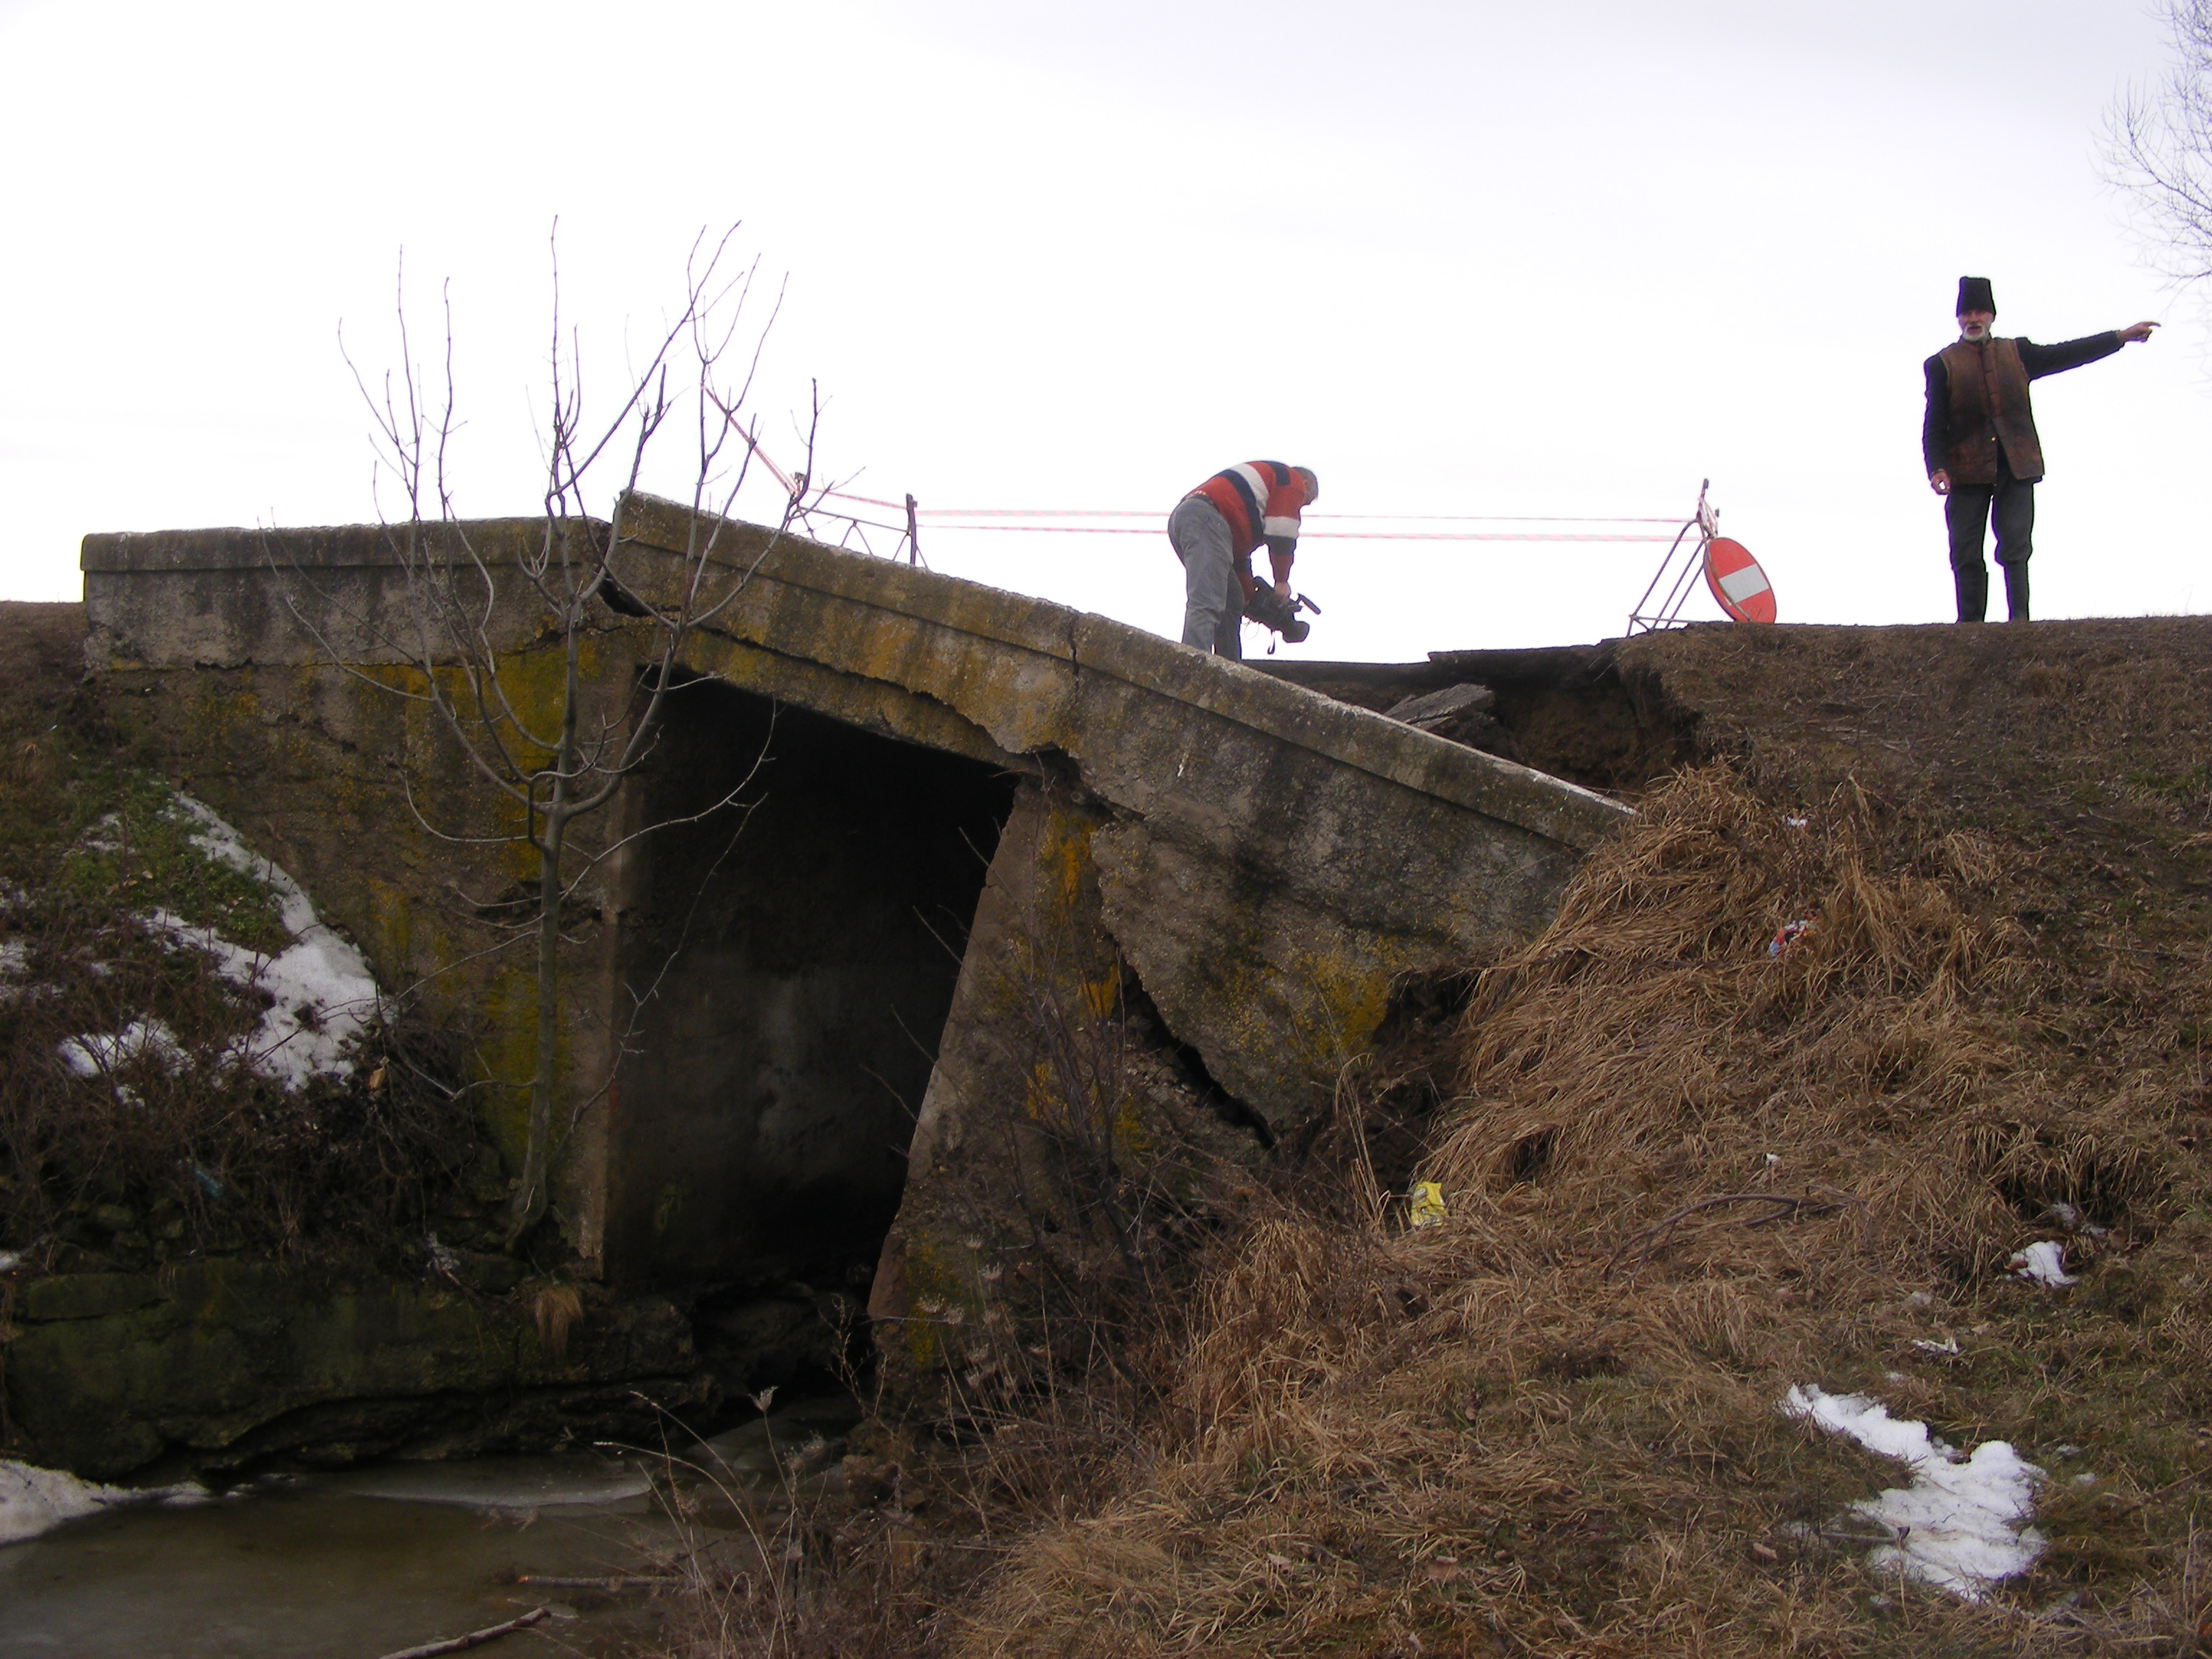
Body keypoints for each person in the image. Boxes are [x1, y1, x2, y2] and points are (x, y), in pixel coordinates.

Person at [1923, 276, 2158, 622]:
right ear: (1959, 319)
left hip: (2017, 465)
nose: (1974, 319)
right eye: (1967, 313)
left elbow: (2067, 353)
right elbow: (1934, 423)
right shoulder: (1941, 364)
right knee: (1966, 551)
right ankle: (1969, 630)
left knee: (2016, 547)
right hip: (1965, 469)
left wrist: (2119, 337)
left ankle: (2020, 624)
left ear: (1991, 316)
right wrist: (1937, 467)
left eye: (1980, 312)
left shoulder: (2018, 352)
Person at [1166, 461, 1318, 658]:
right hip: (1206, 518)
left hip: (1194, 521)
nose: (1297, 508)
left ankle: (1228, 666)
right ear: (1305, 483)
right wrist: (1281, 581)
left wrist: (1251, 598)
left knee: (1233, 600)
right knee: (1207, 599)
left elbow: (1239, 559)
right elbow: (1282, 531)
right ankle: (1192, 663)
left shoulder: (1251, 505)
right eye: (1303, 502)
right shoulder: (1292, 479)